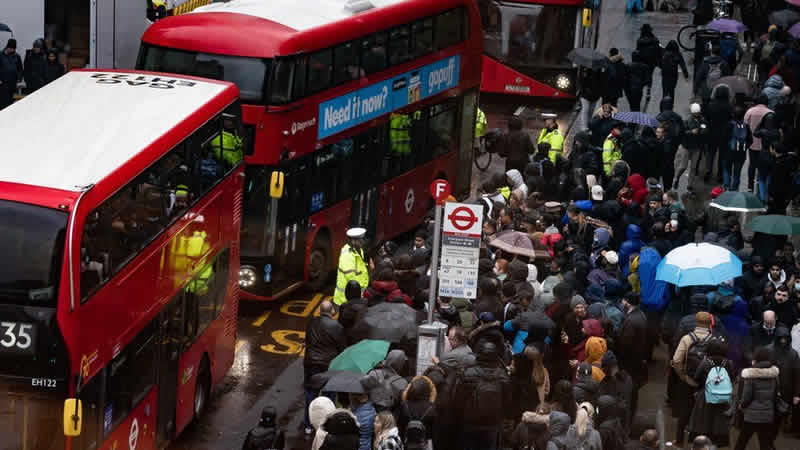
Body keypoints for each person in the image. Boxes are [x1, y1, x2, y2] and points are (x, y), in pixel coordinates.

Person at [456, 341, 510, 450]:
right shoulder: (503, 376)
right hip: (492, 422)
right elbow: (508, 401)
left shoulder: (467, 374)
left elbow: (458, 399)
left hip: (470, 422)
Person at [304, 301, 347, 434]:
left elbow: (308, 341)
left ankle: (308, 425)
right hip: (329, 365)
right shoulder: (337, 326)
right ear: (332, 312)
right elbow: (342, 348)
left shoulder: (311, 323)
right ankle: (328, 424)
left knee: (311, 393)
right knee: (329, 395)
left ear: (319, 311)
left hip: (311, 363)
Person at [671, 312, 714, 446]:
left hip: (687, 382)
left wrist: (683, 376)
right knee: (703, 414)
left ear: (696, 322)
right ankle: (700, 444)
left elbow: (676, 360)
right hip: (705, 384)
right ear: (709, 324)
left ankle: (679, 441)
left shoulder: (687, 339)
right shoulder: (714, 340)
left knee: (684, 411)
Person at [688, 337, 733, 447]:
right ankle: (716, 442)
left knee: (703, 420)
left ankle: (702, 443)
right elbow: (732, 377)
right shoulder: (728, 363)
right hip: (723, 397)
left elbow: (696, 377)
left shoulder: (705, 362)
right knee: (718, 421)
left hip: (705, 395)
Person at [733, 347, 780, 450]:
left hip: (751, 415)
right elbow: (775, 394)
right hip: (768, 414)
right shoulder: (774, 374)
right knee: (765, 443)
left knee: (742, 442)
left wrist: (741, 406)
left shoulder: (751, 375)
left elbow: (747, 397)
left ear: (756, 358)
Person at [619, 292, 648, 414]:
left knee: (629, 391)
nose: (621, 303)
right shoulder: (641, 315)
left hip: (630, 363)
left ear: (627, 302)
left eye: (623, 301)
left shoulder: (631, 320)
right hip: (638, 360)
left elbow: (626, 345)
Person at [744, 95, 773, 193]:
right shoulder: (770, 113)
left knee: (752, 164)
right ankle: (761, 185)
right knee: (762, 167)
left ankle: (750, 186)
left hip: (752, 144)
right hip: (765, 146)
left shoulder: (750, 111)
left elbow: (745, 125)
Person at [704, 85, 733, 183]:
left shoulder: (711, 105)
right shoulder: (729, 106)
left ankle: (708, 170)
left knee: (711, 153)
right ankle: (720, 174)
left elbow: (707, 117)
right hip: (724, 134)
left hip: (712, 132)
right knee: (722, 155)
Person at [334, 228, 369, 305]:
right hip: (346, 300)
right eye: (361, 240)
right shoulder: (347, 256)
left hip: (356, 296)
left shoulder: (359, 250)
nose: (363, 242)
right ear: (353, 241)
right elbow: (351, 278)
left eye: (363, 239)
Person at [398, 376, 436, 445]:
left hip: (407, 443)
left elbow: (400, 427)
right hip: (424, 443)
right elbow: (434, 432)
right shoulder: (431, 408)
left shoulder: (404, 405)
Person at [723, 105, 750, 192]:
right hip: (741, 153)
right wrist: (744, 147)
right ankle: (734, 189)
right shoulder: (746, 126)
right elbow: (750, 140)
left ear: (733, 115)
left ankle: (726, 186)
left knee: (727, 169)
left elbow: (724, 139)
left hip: (729, 152)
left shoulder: (729, 125)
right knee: (737, 173)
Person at [635, 24, 661, 98]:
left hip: (642, 61)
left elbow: (637, 51)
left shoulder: (640, 40)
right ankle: (648, 91)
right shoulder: (655, 40)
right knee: (649, 75)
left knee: (641, 76)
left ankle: (640, 89)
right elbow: (658, 51)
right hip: (652, 61)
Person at [0, 39, 23, 109]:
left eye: (13, 49)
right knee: (3, 103)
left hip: (13, 84)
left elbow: (20, 69)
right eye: (10, 48)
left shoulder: (17, 56)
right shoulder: (1, 55)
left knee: (11, 104)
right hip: (3, 84)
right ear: (7, 47)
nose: (12, 50)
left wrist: (19, 79)